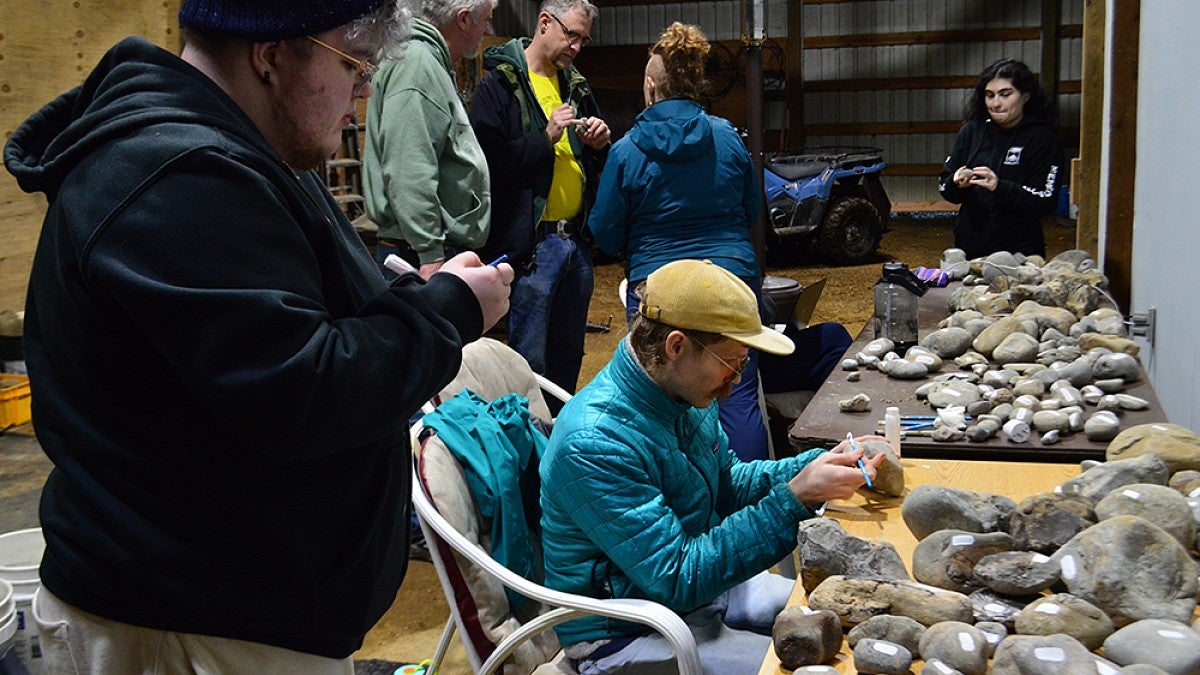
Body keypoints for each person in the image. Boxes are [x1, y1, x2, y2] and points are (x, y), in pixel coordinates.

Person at [2, 1, 513, 671]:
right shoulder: (178, 177)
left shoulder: (235, 152)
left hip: (230, 620)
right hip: (186, 631)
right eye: (352, 64)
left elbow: (287, 330)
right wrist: (448, 310)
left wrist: (406, 296)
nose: (363, 90)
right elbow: (309, 390)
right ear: (271, 55)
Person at [539, 259, 883, 674]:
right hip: (625, 629)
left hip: (696, 594)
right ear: (676, 346)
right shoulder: (596, 442)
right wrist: (795, 498)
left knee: (846, 618)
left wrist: (815, 464)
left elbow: (728, 482)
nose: (738, 379)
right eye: (732, 362)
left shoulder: (682, 392)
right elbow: (677, 576)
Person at [588, 23, 849, 460]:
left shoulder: (627, 150)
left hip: (661, 294)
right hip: (729, 283)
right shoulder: (727, 137)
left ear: (651, 85)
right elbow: (751, 214)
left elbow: (606, 232)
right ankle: (748, 499)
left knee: (657, 407)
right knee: (736, 395)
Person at [469, 0, 610, 395]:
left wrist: (599, 142)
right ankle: (532, 445)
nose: (577, 47)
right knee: (529, 362)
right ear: (545, 22)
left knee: (569, 356)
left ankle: (560, 438)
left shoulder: (574, 84)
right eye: (572, 36)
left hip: (575, 242)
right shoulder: (499, 86)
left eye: (584, 40)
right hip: (532, 249)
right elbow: (490, 163)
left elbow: (595, 160)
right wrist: (546, 136)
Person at [363, 0, 496, 280]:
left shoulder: (426, 60)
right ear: (463, 19)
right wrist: (430, 252)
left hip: (423, 245)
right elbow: (409, 165)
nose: (487, 30)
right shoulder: (417, 65)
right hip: (420, 253)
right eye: (486, 20)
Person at [938, 58, 1065, 259]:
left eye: (1005, 95)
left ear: (1025, 96)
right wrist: (955, 182)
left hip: (1020, 255)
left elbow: (1045, 202)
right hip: (969, 252)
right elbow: (945, 188)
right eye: (990, 96)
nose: (996, 104)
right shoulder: (971, 131)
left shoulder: (1043, 139)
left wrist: (999, 186)